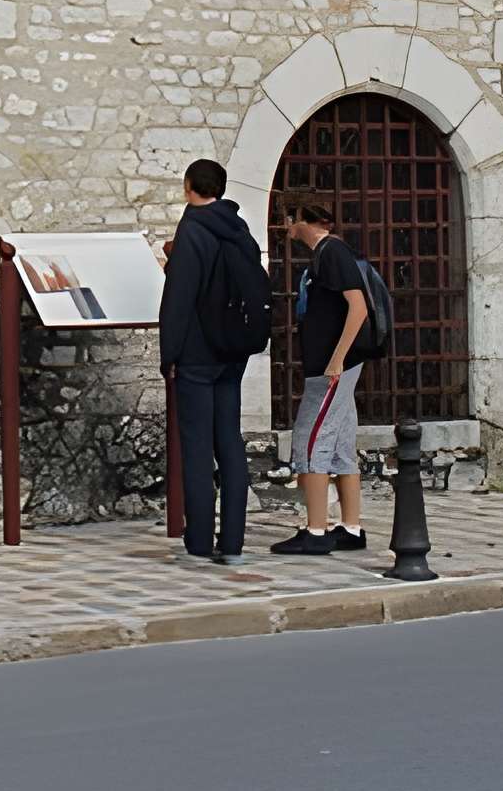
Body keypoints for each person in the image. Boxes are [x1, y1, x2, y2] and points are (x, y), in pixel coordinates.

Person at [155, 158, 263, 566]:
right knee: (229, 440)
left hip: (198, 354)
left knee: (198, 447)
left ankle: (199, 538)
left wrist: (170, 357)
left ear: (188, 187)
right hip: (232, 351)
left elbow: (180, 301)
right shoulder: (238, 229)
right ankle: (233, 538)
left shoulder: (193, 230)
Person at [272, 194, 370, 555]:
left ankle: (315, 531)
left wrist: (336, 359)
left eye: (288, 219)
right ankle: (351, 528)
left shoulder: (332, 253)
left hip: (331, 367)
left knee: (310, 440)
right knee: (341, 443)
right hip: (332, 366)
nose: (286, 227)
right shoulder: (325, 255)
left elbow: (357, 308)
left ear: (301, 217)